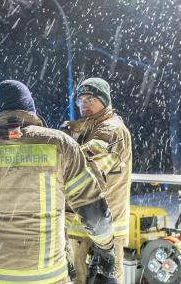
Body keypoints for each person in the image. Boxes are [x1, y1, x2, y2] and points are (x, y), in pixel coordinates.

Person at [0, 80, 118, 284]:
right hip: (48, 277)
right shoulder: (61, 146)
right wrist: (106, 248)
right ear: (30, 108)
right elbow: (93, 211)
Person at [62, 77, 133, 284]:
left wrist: (59, 156)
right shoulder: (85, 129)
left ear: (105, 100)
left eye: (90, 99)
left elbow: (87, 168)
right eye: (81, 100)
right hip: (81, 228)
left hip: (105, 231)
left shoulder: (111, 130)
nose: (84, 104)